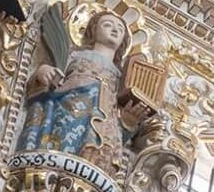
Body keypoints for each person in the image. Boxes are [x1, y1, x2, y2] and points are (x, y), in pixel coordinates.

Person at [18, 10, 140, 175]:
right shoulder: (74, 55)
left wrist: (127, 122)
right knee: (63, 141)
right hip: (69, 109)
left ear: (123, 40)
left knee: (98, 150)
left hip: (104, 121)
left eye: (120, 28)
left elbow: (119, 123)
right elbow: (52, 73)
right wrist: (44, 72)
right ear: (93, 30)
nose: (114, 29)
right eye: (107, 24)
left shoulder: (121, 77)